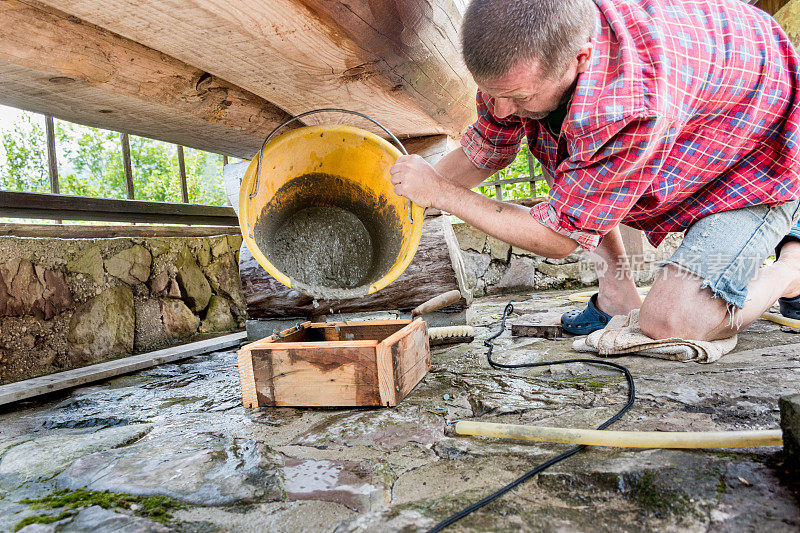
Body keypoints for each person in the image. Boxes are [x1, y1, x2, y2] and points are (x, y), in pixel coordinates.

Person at [390, 0, 800, 342]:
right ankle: (618, 292)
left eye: (517, 96)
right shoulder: (524, 56)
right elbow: (485, 150)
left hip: (759, 161)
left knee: (673, 323)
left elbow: (558, 237)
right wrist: (400, 199)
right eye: (492, 94)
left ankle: (792, 271)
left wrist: (443, 196)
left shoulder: (627, 105)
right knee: (556, 144)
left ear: (581, 58)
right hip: (697, 128)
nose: (500, 111)